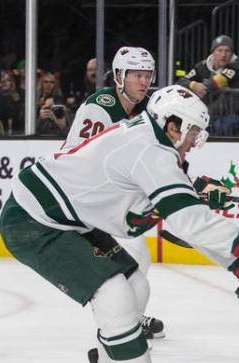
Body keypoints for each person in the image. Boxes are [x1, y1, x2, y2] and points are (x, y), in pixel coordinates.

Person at [0, 85, 239, 363]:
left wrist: (195, 193)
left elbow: (160, 197)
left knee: (135, 282)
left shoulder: (150, 140)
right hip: (34, 222)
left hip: (65, 217)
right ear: (172, 125)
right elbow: (188, 222)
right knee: (113, 292)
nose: (194, 142)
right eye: (192, 132)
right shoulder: (149, 150)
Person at [63, 47, 166, 339]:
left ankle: (129, 317)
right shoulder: (102, 105)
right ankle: (119, 325)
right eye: (136, 75)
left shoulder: (144, 109)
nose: (143, 82)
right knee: (131, 259)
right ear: (120, 76)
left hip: (108, 199)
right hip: (82, 198)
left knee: (138, 259)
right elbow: (80, 158)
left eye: (147, 75)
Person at [179, 35, 239, 137]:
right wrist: (193, 84)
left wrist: (199, 87)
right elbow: (180, 82)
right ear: (213, 52)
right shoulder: (201, 66)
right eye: (219, 50)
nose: (223, 55)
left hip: (234, 112)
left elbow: (213, 84)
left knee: (220, 125)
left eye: (227, 51)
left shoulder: (236, 67)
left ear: (232, 53)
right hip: (209, 112)